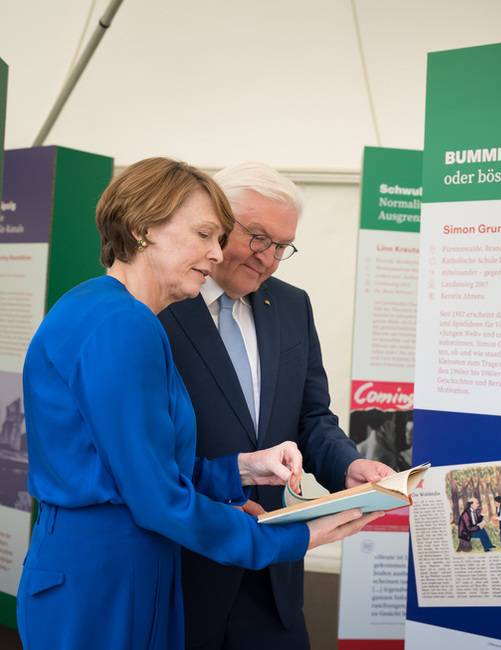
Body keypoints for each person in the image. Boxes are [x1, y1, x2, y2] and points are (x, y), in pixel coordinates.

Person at [16, 158, 383, 650]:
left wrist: (243, 469)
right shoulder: (125, 324)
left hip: (129, 568)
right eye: (206, 234)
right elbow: (156, 497)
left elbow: (141, 471)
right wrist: (297, 538)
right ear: (143, 229)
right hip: (111, 579)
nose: (216, 252)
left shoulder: (103, 307)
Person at [158, 161, 395, 649]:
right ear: (218, 222)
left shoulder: (292, 305)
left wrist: (347, 465)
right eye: (259, 238)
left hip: (275, 574)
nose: (269, 259)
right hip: (184, 567)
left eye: (283, 246)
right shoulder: (159, 303)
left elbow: (313, 418)